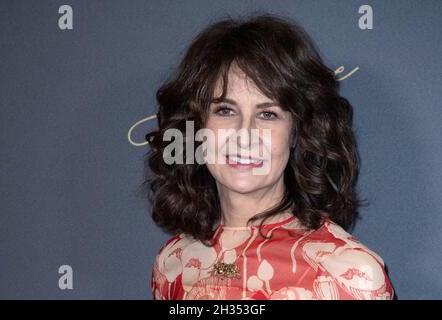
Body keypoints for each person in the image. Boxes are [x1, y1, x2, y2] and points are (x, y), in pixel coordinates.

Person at [144, 13, 394, 300]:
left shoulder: (349, 275)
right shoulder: (173, 263)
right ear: (197, 128)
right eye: (225, 110)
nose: (244, 134)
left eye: (267, 114)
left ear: (297, 133)